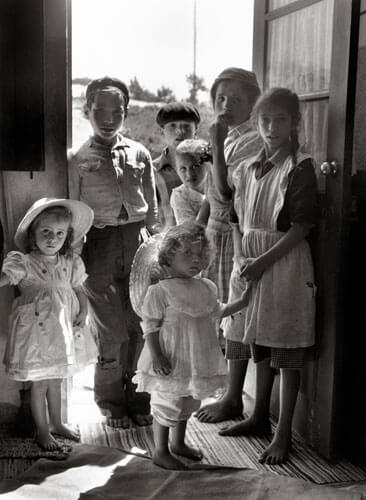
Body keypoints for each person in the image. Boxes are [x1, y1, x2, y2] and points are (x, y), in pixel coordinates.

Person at [219, 88, 319, 465]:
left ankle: (283, 436)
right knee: (255, 336)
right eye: (265, 120)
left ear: (294, 123)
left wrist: (262, 262)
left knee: (285, 347)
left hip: (284, 262)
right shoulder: (247, 167)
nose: (271, 127)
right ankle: (258, 416)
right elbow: (234, 219)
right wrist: (244, 255)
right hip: (249, 259)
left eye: (279, 120)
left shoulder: (300, 166)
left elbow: (301, 227)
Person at [68, 77, 159, 428]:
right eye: (100, 111)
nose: (108, 118)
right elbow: (74, 207)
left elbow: (151, 207)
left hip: (138, 243)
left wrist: (154, 244)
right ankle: (110, 401)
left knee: (141, 325)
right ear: (87, 110)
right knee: (112, 331)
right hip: (99, 245)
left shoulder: (140, 152)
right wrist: (74, 257)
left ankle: (139, 398)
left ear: (126, 112)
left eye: (116, 111)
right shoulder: (78, 157)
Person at [130, 221, 251, 470]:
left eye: (199, 254)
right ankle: (160, 450)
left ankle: (179, 443)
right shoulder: (160, 291)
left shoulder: (205, 287)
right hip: (170, 357)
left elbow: (218, 311)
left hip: (194, 358)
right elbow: (150, 327)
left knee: (187, 400)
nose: (195, 259)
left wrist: (244, 301)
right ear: (168, 258)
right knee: (167, 401)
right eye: (187, 254)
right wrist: (157, 356)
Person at [0, 198, 96, 450]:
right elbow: (5, 278)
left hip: (63, 331)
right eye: (46, 232)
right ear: (33, 235)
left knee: (57, 380)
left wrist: (84, 311)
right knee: (40, 383)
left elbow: (79, 289)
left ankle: (57, 422)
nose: (53, 238)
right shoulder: (24, 262)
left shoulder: (69, 262)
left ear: (67, 237)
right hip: (37, 334)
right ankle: (42, 430)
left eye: (59, 234)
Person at [196, 67, 263, 423]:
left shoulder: (252, 138)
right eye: (221, 98)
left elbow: (226, 193)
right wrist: (195, 228)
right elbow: (210, 191)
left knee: (233, 313)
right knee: (218, 312)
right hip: (214, 232)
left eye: (236, 99)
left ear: (254, 103)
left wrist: (217, 146)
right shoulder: (230, 135)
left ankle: (234, 396)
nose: (226, 105)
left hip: (236, 235)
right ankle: (226, 391)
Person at [154, 102, 201, 230]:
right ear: (162, 131)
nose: (180, 131)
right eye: (172, 126)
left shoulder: (208, 166)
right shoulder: (152, 170)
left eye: (186, 126)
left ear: (196, 130)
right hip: (168, 244)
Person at [170, 139, 210, 224]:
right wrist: (210, 198)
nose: (189, 174)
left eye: (195, 166)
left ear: (207, 165)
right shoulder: (180, 195)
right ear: (176, 170)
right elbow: (193, 231)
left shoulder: (219, 184)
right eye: (183, 169)